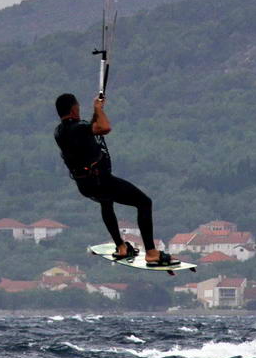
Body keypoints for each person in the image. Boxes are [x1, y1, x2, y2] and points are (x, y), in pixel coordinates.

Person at [53, 93, 177, 266]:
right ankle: (151, 253)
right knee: (144, 202)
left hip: (85, 185)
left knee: (106, 202)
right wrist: (98, 109)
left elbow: (90, 128)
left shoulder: (60, 132)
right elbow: (104, 128)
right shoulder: (78, 129)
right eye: (78, 108)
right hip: (101, 181)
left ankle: (121, 246)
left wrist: (97, 111)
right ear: (74, 109)